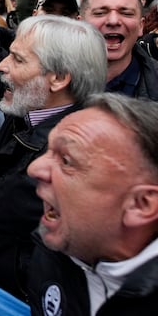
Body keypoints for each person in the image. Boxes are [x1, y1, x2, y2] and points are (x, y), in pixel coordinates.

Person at [0, 13, 108, 299]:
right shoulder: (30, 106)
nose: (2, 66)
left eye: (18, 60)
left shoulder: (64, 155)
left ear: (58, 78)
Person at [26, 93, 158, 315]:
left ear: (141, 204)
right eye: (48, 151)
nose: (34, 169)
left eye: (66, 160)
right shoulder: (58, 248)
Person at [80, 0, 158, 100]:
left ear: (141, 26)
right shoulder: (49, 80)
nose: (113, 21)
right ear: (80, 24)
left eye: (126, 13)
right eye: (100, 13)